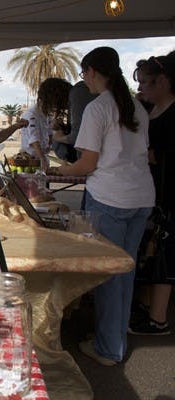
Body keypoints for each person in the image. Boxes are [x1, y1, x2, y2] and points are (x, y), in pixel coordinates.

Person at [53, 47, 155, 365]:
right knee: (126, 271)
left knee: (109, 274)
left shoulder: (99, 108)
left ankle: (109, 348)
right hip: (141, 197)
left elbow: (87, 164)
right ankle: (115, 339)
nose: (84, 80)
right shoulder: (136, 106)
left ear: (93, 72)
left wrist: (57, 171)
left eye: (84, 74)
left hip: (111, 199)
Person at [128, 53, 175, 335]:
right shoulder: (150, 107)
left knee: (164, 254)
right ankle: (147, 307)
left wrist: (145, 154)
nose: (142, 87)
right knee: (151, 251)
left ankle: (158, 320)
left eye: (147, 82)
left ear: (165, 81)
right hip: (150, 191)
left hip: (169, 192)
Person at [20, 78, 71, 171]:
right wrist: (42, 159)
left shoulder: (46, 115)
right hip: (32, 161)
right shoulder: (32, 114)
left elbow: (49, 134)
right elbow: (34, 139)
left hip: (42, 158)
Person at [51, 80, 98, 163]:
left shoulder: (78, 92)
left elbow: (77, 136)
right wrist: (62, 128)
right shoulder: (77, 93)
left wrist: (59, 137)